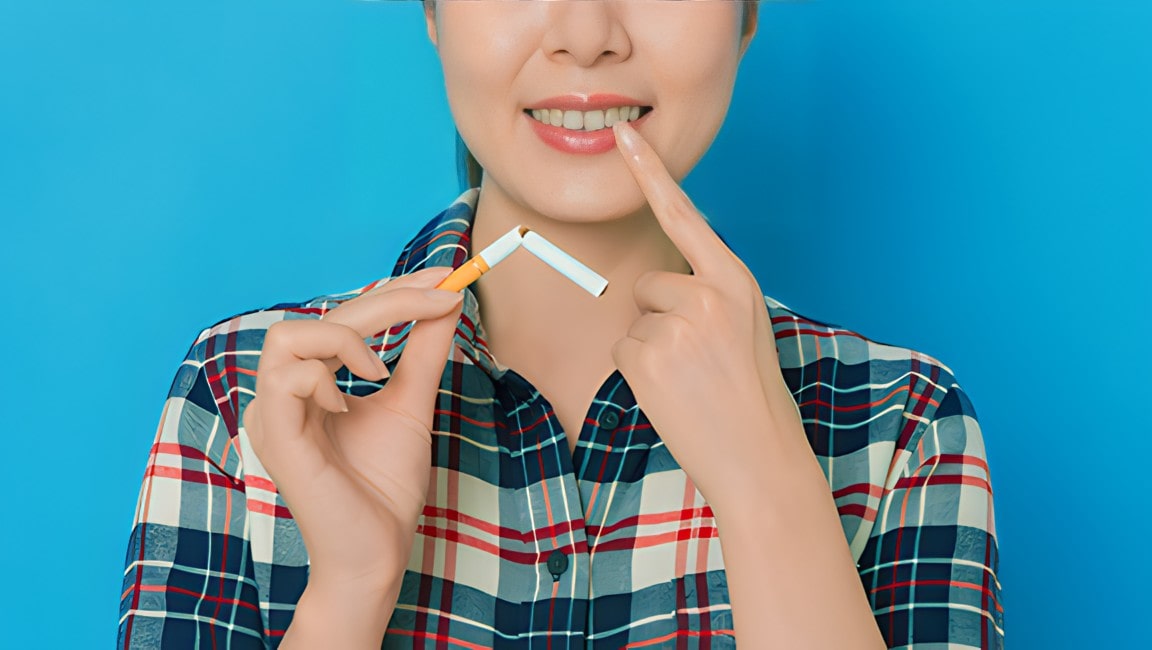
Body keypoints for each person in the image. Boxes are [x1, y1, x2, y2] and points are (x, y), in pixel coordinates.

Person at [118, 2, 1004, 648]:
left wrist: (771, 492)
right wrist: (347, 592)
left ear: (748, 13)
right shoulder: (245, 397)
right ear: (432, 10)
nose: (587, 33)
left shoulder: (900, 425)